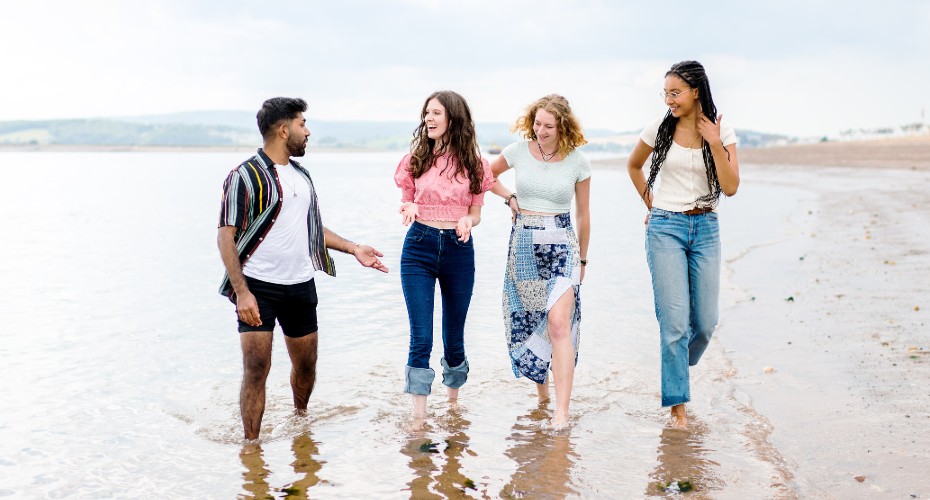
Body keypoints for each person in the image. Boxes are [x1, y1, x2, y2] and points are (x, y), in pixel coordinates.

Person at [218, 97, 389, 441]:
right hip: (257, 288)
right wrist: (242, 292)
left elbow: (312, 228)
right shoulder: (244, 176)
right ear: (283, 130)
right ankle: (251, 447)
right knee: (255, 370)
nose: (307, 132)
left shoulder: (302, 176)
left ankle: (300, 423)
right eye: (302, 124)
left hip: (300, 286)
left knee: (307, 366)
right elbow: (226, 236)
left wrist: (355, 248)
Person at [626, 60, 740, 428]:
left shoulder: (722, 130)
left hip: (706, 227)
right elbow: (633, 166)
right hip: (665, 229)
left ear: (695, 91)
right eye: (666, 93)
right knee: (674, 324)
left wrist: (714, 143)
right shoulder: (658, 128)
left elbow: (732, 186)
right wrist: (652, 205)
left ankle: (675, 362)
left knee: (705, 324)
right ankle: (678, 409)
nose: (669, 100)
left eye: (675, 93)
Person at [489, 94, 591, 430]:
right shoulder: (518, 151)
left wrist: (584, 261)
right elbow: (485, 176)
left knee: (560, 324)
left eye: (548, 125)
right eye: (537, 124)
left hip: (562, 247)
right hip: (524, 246)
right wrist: (509, 198)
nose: (541, 131)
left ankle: (561, 412)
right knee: (536, 322)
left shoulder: (578, 162)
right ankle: (543, 397)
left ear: (563, 126)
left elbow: (583, 214)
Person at [394, 90, 494, 419]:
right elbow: (409, 199)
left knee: (453, 337)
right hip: (418, 247)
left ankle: (452, 407)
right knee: (421, 336)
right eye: (426, 113)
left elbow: (476, 212)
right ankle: (419, 419)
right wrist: (409, 205)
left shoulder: (475, 164)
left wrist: (467, 219)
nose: (429, 119)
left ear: (453, 118)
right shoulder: (415, 159)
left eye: (436, 113)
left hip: (458, 250)